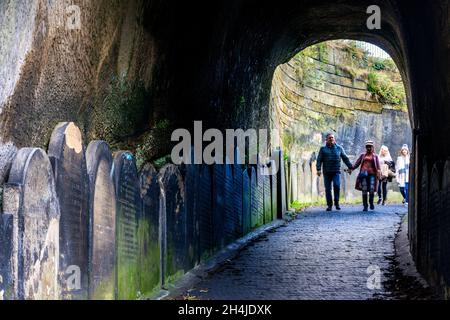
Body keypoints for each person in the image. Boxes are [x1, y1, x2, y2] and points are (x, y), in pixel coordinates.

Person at [316, 133, 353, 211]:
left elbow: (345, 158)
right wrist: (318, 169)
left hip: (336, 171)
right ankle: (329, 205)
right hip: (327, 172)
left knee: (336, 186)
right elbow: (319, 160)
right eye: (330, 138)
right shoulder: (323, 149)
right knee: (328, 189)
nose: (331, 139)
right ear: (326, 140)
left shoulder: (339, 148)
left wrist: (351, 167)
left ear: (334, 139)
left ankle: (337, 202)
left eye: (332, 138)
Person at [351, 140, 381, 211]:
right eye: (367, 147)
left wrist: (379, 174)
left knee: (371, 189)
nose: (369, 148)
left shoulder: (375, 156)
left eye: (370, 146)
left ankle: (371, 202)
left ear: (372, 147)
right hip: (363, 174)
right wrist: (351, 168)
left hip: (372, 175)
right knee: (364, 189)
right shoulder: (363, 155)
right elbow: (357, 164)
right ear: (365, 147)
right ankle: (365, 205)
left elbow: (378, 167)